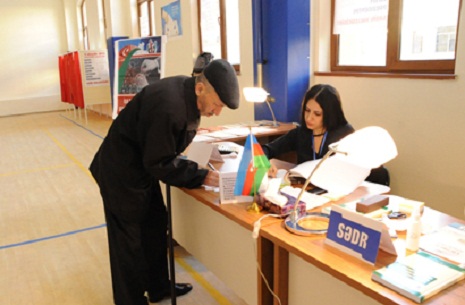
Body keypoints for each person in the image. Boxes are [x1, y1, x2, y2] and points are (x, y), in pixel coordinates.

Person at [89, 59, 239, 305]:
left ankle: (158, 287)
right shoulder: (169, 106)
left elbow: (162, 151)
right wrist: (201, 175)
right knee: (128, 245)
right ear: (200, 88)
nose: (217, 112)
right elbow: (158, 162)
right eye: (217, 104)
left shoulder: (186, 93)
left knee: (155, 224)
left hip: (141, 171)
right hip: (121, 174)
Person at [262, 84, 389, 185]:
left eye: (317, 114)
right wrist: (266, 163)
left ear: (329, 114)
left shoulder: (344, 134)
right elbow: (266, 149)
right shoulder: (302, 133)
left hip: (337, 192)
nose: (309, 118)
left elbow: (351, 173)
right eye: (307, 110)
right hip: (309, 190)